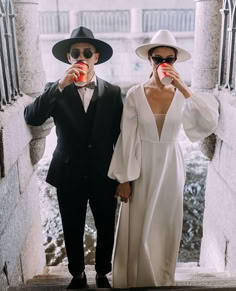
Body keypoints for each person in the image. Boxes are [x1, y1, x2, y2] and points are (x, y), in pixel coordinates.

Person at [108, 30, 219, 287]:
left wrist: (182, 85)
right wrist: (124, 179)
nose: (163, 64)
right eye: (158, 59)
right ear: (149, 60)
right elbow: (127, 138)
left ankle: (162, 279)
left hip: (171, 165)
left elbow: (209, 121)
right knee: (137, 224)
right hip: (142, 165)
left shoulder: (183, 94)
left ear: (176, 62)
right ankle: (136, 279)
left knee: (165, 225)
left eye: (170, 59)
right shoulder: (135, 93)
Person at [24, 26, 123, 289]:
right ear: (69, 57)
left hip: (104, 173)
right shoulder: (55, 90)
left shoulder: (113, 92)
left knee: (106, 228)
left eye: (87, 52)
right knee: (72, 227)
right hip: (68, 173)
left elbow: (120, 137)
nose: (82, 57)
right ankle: (77, 275)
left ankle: (103, 274)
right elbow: (32, 116)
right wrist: (60, 85)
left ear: (96, 57)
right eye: (76, 53)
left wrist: (124, 176)